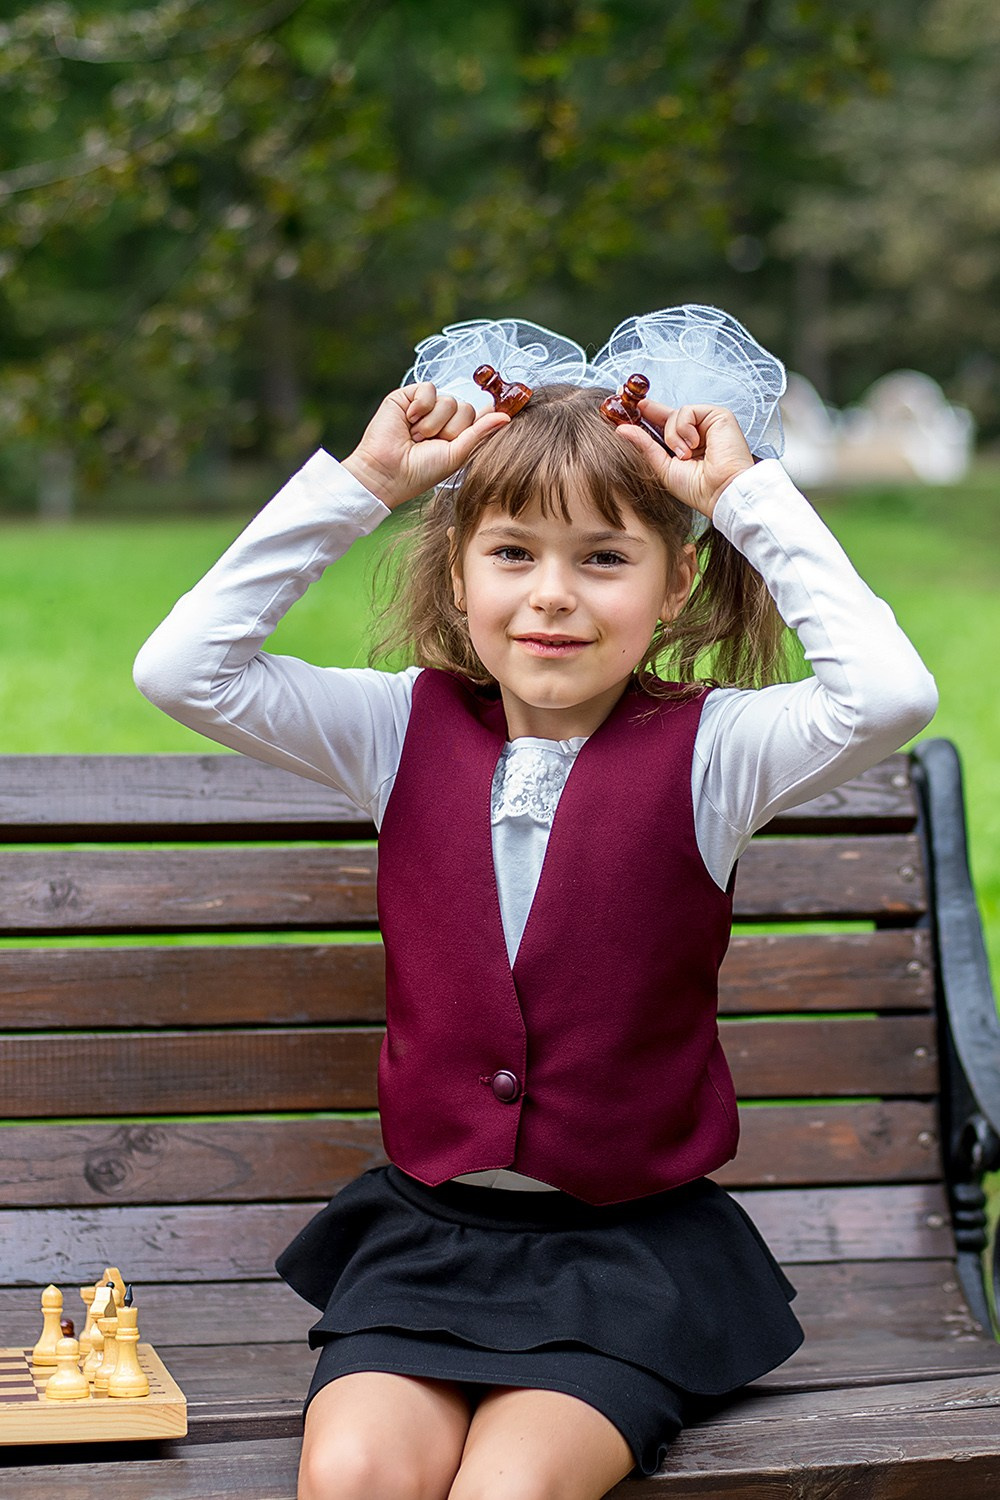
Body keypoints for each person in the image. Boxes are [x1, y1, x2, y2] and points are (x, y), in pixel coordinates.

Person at [134, 308, 938, 1500]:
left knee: (508, 1491)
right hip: (426, 1244)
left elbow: (888, 696)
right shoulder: (392, 729)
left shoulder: (716, 751)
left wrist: (741, 497)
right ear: (458, 575)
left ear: (674, 584)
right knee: (351, 1477)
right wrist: (364, 486)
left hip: (627, 1258)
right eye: (512, 553)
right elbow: (181, 669)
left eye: (604, 559)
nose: (551, 596)